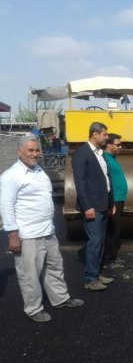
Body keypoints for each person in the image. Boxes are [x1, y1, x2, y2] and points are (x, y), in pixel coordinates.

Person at [0, 136, 84, 323]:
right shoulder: (11, 176)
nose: (35, 154)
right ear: (19, 152)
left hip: (47, 230)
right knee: (29, 274)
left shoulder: (39, 171)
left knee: (54, 267)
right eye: (30, 150)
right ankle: (33, 309)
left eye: (37, 150)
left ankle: (60, 298)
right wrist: (12, 235)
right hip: (27, 235)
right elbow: (6, 207)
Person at [72, 122, 115, 291]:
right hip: (93, 207)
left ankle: (97, 273)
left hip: (103, 205)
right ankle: (90, 279)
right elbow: (81, 184)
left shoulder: (100, 154)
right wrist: (87, 206)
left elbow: (106, 179)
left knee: (101, 241)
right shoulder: (82, 154)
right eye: (105, 134)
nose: (106, 137)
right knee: (95, 241)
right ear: (95, 134)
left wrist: (111, 204)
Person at [103, 133, 128, 262]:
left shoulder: (111, 158)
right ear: (108, 145)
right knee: (112, 229)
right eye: (117, 145)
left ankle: (110, 254)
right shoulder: (105, 159)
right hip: (114, 199)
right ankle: (108, 257)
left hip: (118, 199)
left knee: (115, 228)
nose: (120, 147)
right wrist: (110, 202)